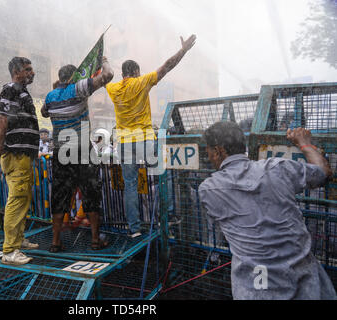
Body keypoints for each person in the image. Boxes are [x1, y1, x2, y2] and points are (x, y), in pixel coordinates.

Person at [198, 121, 336, 300]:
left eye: (208, 151)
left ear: (218, 151)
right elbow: (323, 172)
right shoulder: (277, 168)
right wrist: (304, 143)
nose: (208, 156)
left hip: (255, 287)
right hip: (304, 281)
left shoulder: (208, 190)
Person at [106, 34, 196, 237]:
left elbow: (105, 76)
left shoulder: (113, 88)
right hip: (145, 138)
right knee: (164, 174)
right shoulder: (142, 81)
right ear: (136, 72)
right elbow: (167, 66)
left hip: (123, 143)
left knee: (130, 185)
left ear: (123, 74)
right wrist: (183, 51)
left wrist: (103, 62)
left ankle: (134, 228)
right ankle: (170, 217)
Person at [41, 56, 114, 252]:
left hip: (60, 151)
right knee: (90, 193)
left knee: (59, 195)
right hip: (82, 150)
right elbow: (108, 75)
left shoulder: (50, 96)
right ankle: (95, 240)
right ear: (74, 77)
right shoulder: (78, 88)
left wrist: (56, 89)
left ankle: (55, 242)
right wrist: (104, 61)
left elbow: (44, 113)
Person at [0, 57, 40, 265]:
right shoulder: (11, 89)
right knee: (17, 198)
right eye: (28, 69)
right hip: (15, 153)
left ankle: (19, 239)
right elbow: (2, 120)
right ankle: (9, 251)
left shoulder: (21, 91)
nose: (32, 72)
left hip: (24, 154)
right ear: (16, 72)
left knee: (23, 197)